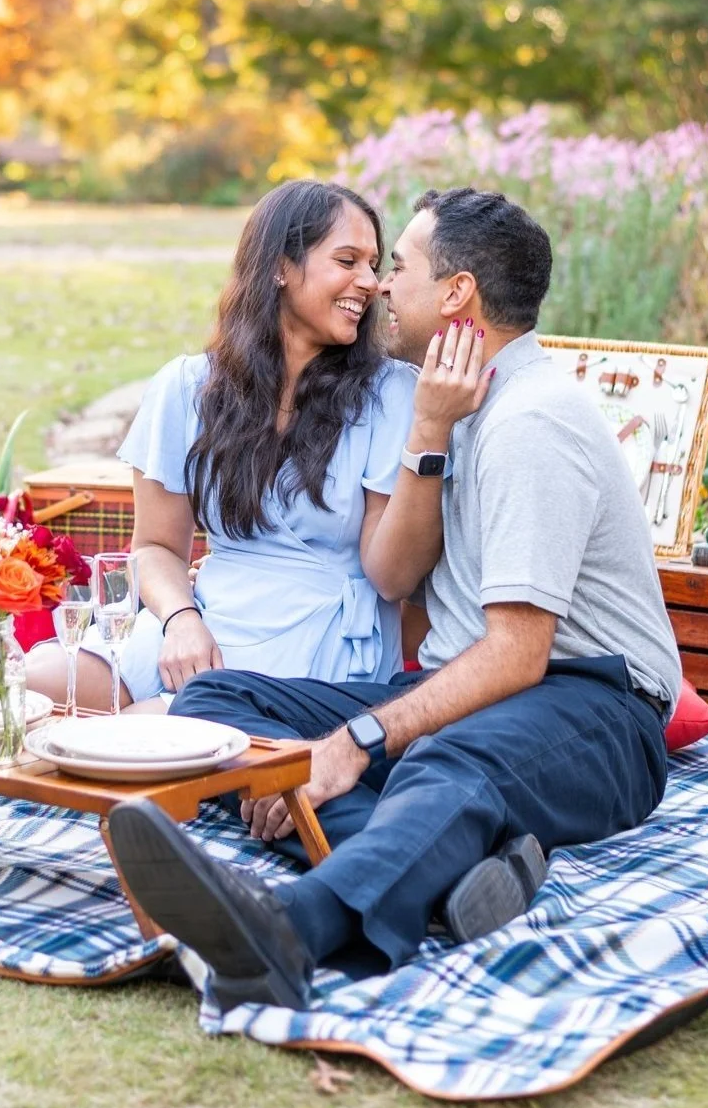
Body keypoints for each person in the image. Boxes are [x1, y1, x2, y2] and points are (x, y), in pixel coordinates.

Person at [104, 185, 683, 1010]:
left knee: (444, 761)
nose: (379, 286)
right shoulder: (454, 409)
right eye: (366, 265)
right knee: (217, 698)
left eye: (395, 267)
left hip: (591, 705)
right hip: (477, 693)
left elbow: (520, 654)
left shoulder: (531, 422)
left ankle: (290, 930)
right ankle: (457, 885)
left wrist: (359, 739)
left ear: (456, 295)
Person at [26, 178, 489, 711]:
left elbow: (394, 578)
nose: (370, 282)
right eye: (347, 260)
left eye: (374, 263)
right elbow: (154, 548)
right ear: (280, 267)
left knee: (152, 726)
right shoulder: (186, 387)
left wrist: (430, 433)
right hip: (202, 619)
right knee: (36, 680)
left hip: (318, 641)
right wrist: (180, 621)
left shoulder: (392, 395)